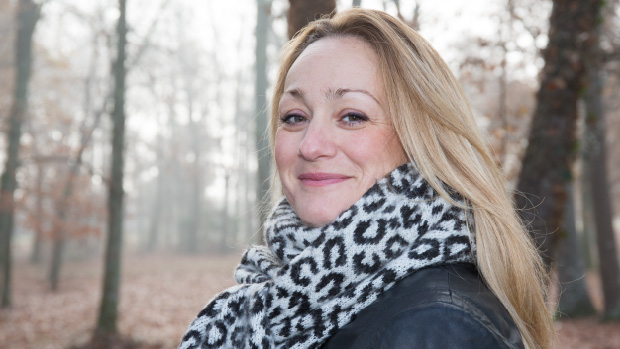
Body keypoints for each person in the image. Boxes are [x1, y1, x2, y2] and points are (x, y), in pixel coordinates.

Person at [180, 8, 554, 349]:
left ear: (420, 139)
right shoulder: (276, 301)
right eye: (295, 117)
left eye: (352, 116)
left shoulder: (434, 328)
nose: (311, 145)